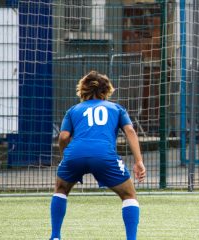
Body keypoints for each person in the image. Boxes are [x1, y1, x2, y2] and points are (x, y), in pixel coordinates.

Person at [49, 70, 146, 240]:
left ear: (83, 90)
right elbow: (130, 130)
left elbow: (63, 136)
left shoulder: (73, 110)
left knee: (61, 189)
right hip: (104, 156)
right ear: (106, 90)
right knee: (129, 195)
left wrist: (65, 156)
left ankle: (55, 236)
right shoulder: (116, 108)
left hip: (75, 154)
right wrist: (138, 161)